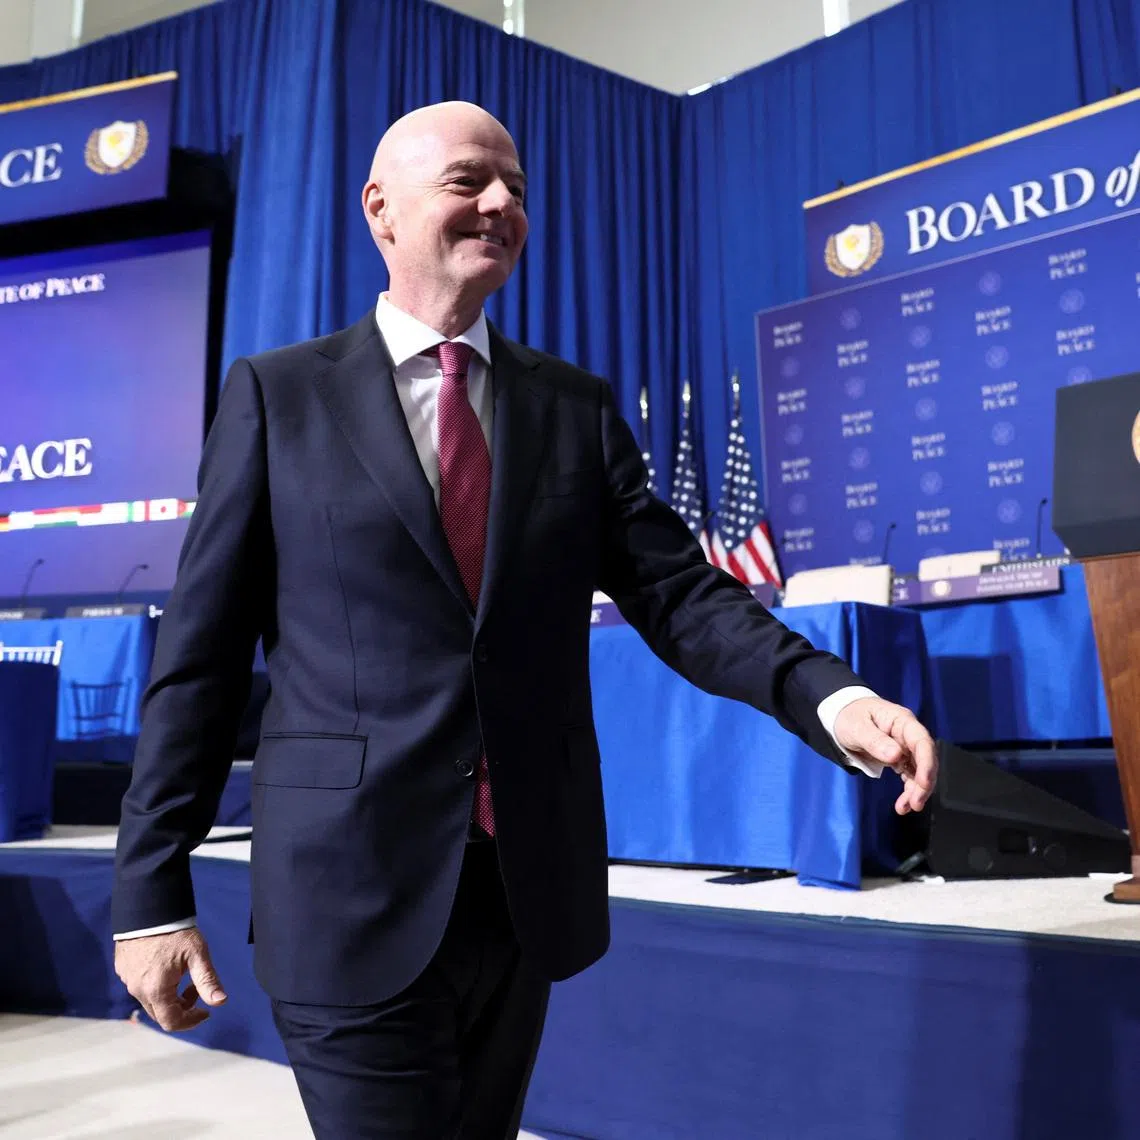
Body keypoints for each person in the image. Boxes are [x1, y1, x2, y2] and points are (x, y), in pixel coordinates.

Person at [112, 101, 937, 1139]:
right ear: (381, 209)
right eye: (468, 181)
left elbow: (680, 594)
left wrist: (832, 696)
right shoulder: (278, 398)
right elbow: (200, 662)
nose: (501, 203)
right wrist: (151, 892)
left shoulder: (571, 408)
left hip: (521, 892)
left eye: (517, 188)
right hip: (345, 893)